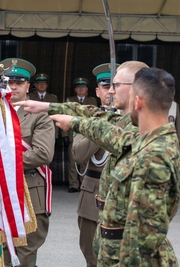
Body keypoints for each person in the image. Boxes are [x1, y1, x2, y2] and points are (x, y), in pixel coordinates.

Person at [50, 67, 180, 266]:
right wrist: (59, 113)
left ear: (137, 102)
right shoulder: (151, 141)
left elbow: (141, 241)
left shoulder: (154, 157)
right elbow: (105, 125)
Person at [0, 58, 55, 267]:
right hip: (0, 197)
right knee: (2, 258)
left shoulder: (38, 114)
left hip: (29, 195)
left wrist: (7, 159)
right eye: (9, 82)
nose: (13, 87)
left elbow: (43, 154)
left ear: (28, 86)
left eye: (19, 83)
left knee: (24, 259)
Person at [71, 63, 118, 267]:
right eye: (106, 87)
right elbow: (78, 155)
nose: (112, 92)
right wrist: (102, 125)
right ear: (98, 92)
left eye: (116, 86)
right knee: (92, 256)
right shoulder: (87, 118)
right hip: (93, 192)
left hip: (124, 192)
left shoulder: (137, 120)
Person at [28, 73, 59, 138]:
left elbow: (56, 115)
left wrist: (56, 133)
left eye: (44, 83)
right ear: (36, 85)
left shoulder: (53, 98)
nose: (42, 85)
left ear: (47, 85)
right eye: (39, 83)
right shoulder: (30, 97)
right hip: (33, 127)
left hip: (49, 128)